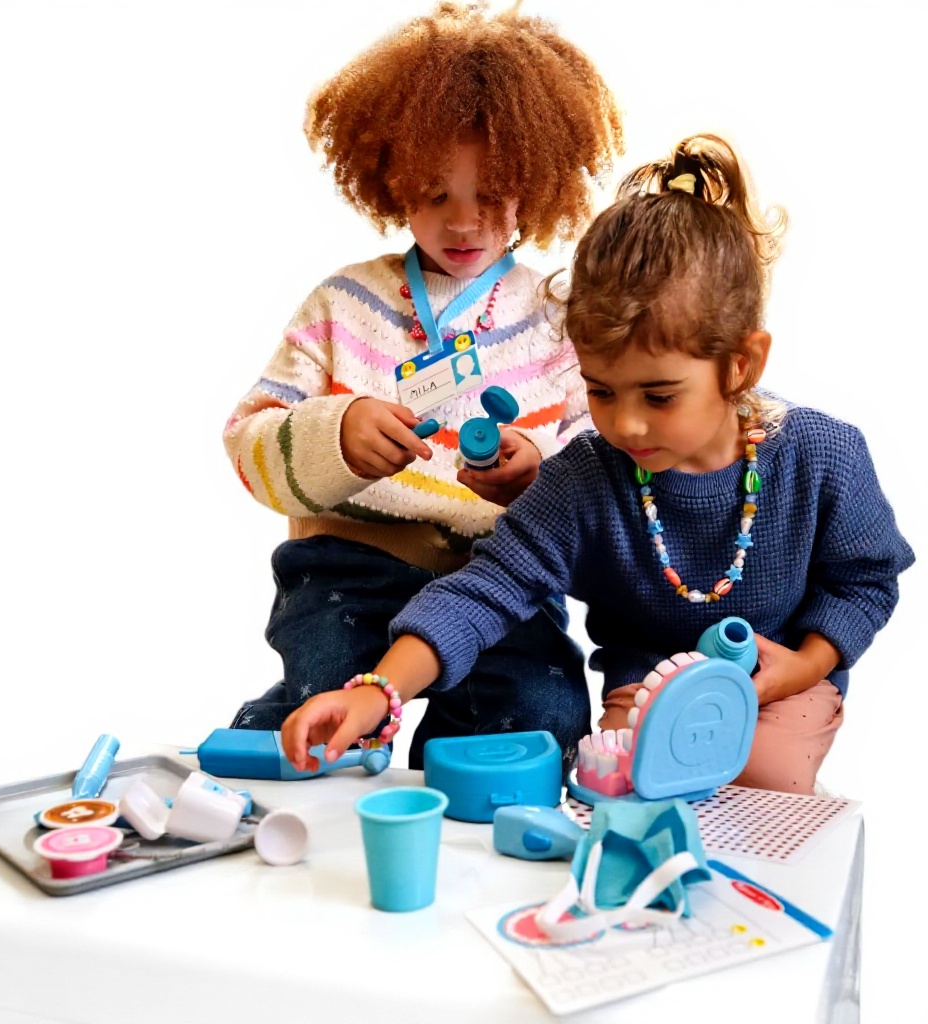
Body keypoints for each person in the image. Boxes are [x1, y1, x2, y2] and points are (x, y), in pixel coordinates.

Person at [280, 132, 915, 795]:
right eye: (602, 391)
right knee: (621, 783)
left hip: (782, 685)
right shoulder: (585, 478)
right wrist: (376, 693)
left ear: (741, 364)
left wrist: (806, 665)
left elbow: (864, 580)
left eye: (659, 395)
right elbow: (486, 588)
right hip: (646, 687)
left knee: (761, 777)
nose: (627, 423)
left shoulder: (821, 457)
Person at [222, 1, 624, 768]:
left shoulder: (559, 317)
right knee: (320, 709)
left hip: (501, 577)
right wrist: (336, 435)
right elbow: (249, 443)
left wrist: (536, 479)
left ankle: (461, 829)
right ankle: (255, 765)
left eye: (492, 193)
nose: (463, 221)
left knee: (541, 718)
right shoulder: (343, 303)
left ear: (536, 182)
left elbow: (598, 471)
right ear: (391, 178)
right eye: (435, 193)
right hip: (348, 569)